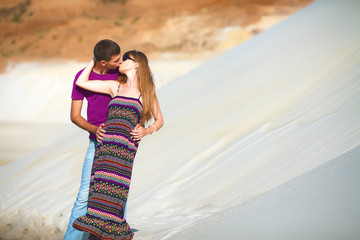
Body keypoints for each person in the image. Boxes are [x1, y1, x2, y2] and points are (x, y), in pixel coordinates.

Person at [72, 50, 164, 240]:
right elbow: (81, 82)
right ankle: (94, 236)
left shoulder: (146, 92)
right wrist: (95, 58)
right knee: (98, 193)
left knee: (116, 193)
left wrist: (147, 131)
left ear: (136, 64)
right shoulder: (116, 86)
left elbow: (160, 120)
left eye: (125, 59)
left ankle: (112, 234)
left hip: (125, 151)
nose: (121, 62)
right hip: (105, 146)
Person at [64, 39, 122, 240]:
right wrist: (94, 129)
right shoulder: (82, 77)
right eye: (116, 60)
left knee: (116, 193)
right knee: (84, 195)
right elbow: (75, 116)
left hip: (119, 144)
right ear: (103, 62)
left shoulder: (120, 74)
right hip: (96, 143)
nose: (121, 62)